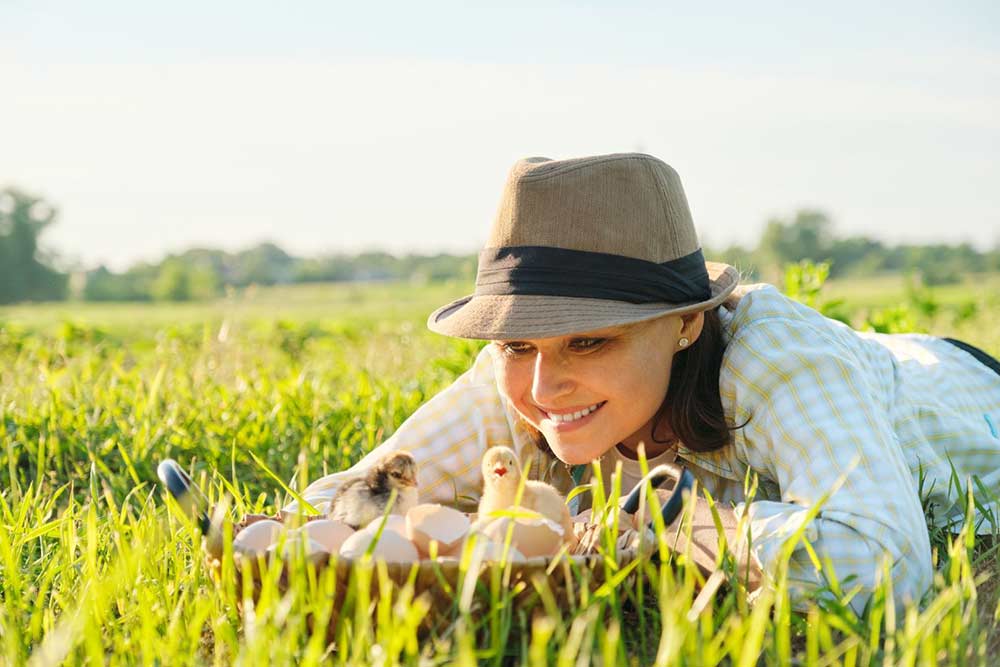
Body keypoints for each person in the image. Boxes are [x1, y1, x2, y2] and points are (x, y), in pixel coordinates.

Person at [282, 153, 1000, 613]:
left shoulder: (777, 360)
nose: (545, 388)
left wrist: (667, 520)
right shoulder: (517, 383)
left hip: (959, 386)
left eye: (589, 339)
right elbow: (337, 503)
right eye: (517, 343)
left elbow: (884, 567)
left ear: (685, 323)